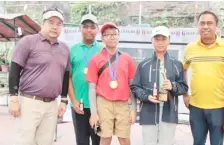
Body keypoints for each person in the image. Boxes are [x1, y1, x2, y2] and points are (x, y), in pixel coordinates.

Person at [8, 8, 69, 145]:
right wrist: (13, 99)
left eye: (59, 24)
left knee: (46, 142)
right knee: (24, 141)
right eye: (51, 22)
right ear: (43, 23)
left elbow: (65, 75)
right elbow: (14, 70)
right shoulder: (28, 42)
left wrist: (64, 100)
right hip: (29, 102)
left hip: (51, 105)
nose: (55, 26)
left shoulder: (64, 49)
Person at [183, 11, 224, 145]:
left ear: (217, 26)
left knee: (217, 142)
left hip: (219, 107)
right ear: (198, 26)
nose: (205, 26)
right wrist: (185, 94)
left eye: (209, 23)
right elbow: (183, 70)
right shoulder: (190, 48)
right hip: (195, 106)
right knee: (198, 141)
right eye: (202, 23)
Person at [130, 26, 188, 145]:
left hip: (169, 111)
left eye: (163, 39)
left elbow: (184, 87)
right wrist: (146, 96)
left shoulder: (177, 64)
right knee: (148, 142)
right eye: (157, 39)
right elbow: (135, 87)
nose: (160, 42)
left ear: (169, 40)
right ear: (152, 40)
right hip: (148, 112)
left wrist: (173, 86)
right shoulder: (143, 64)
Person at [86, 22, 137, 145]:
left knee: (124, 138)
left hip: (123, 104)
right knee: (105, 138)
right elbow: (92, 88)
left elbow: (132, 87)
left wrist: (134, 108)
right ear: (102, 38)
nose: (112, 37)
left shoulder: (127, 59)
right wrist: (94, 113)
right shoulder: (95, 59)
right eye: (107, 34)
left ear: (119, 36)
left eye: (114, 34)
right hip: (103, 103)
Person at [68, 14, 103, 145]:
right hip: (79, 106)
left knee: (98, 140)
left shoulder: (103, 50)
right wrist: (73, 100)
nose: (89, 30)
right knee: (81, 141)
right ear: (80, 28)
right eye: (86, 27)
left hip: (98, 106)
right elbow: (68, 78)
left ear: (97, 30)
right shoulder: (72, 50)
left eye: (92, 27)